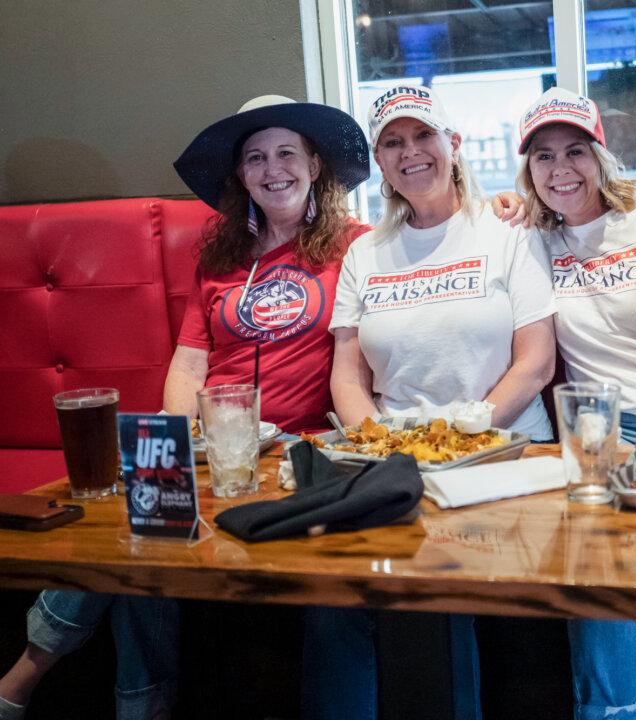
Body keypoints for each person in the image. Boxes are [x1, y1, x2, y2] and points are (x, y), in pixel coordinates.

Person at [0, 95, 371, 720]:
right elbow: (189, 364)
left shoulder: (355, 246)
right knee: (146, 521)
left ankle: (20, 685)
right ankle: (113, 701)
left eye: (286, 152)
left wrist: (507, 206)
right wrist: (172, 447)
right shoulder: (221, 258)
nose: (271, 168)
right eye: (255, 157)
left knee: (149, 525)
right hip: (215, 443)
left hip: (295, 452)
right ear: (240, 176)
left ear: (313, 163)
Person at [306, 85, 556, 720]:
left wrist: (461, 437)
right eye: (393, 141)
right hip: (392, 467)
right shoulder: (365, 252)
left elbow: (535, 363)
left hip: (503, 458)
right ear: (380, 159)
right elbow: (348, 379)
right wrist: (389, 451)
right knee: (330, 601)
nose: (410, 152)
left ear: (454, 145)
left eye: (424, 137)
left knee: (457, 595)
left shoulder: (505, 230)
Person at [514, 87, 636, 720]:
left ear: (601, 156)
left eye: (576, 151)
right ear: (528, 173)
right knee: (599, 581)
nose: (560, 168)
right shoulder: (530, 243)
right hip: (603, 435)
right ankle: (612, 713)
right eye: (543, 157)